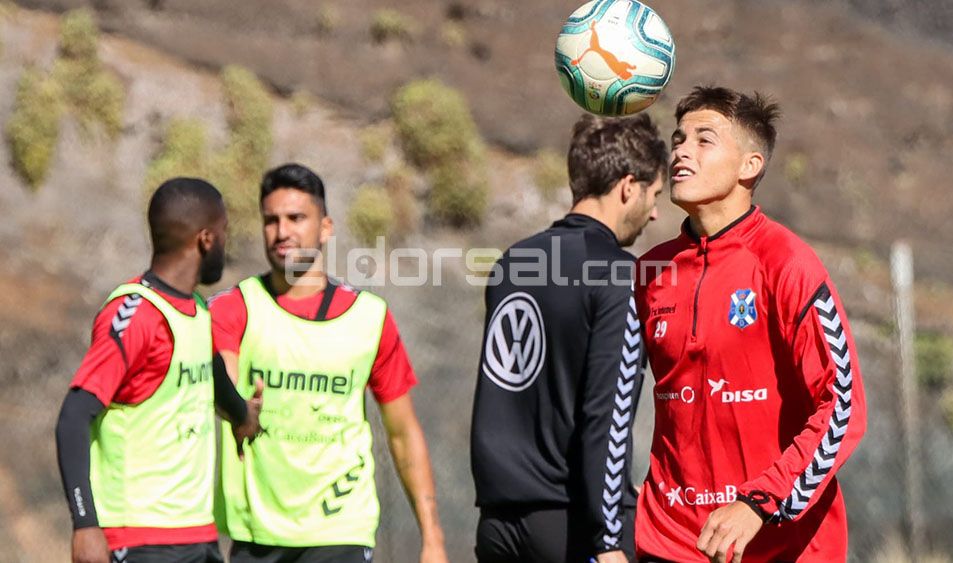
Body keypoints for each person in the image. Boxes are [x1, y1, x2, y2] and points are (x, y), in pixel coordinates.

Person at [633, 86, 868, 563]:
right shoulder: (649, 271)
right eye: (678, 139)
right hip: (670, 539)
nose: (680, 150)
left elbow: (843, 408)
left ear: (750, 166)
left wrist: (762, 501)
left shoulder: (788, 263)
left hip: (781, 544)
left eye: (704, 140)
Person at [210, 163, 447, 563]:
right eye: (271, 220)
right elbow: (224, 383)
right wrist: (238, 408)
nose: (282, 231)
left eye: (296, 218)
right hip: (258, 533)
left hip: (342, 527)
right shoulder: (235, 308)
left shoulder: (369, 317)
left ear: (325, 228)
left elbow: (403, 432)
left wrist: (433, 538)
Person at [470, 113, 669, 563]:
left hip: (496, 525)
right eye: (654, 195)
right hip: (568, 527)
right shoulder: (618, 275)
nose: (655, 211)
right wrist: (610, 538)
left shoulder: (513, 263)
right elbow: (609, 417)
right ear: (627, 186)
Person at [55, 178, 262, 563]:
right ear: (205, 240)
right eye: (223, 233)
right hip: (140, 540)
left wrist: (242, 415)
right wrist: (85, 526)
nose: (224, 243)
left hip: (197, 536)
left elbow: (212, 377)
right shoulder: (135, 314)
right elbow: (74, 415)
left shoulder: (197, 311)